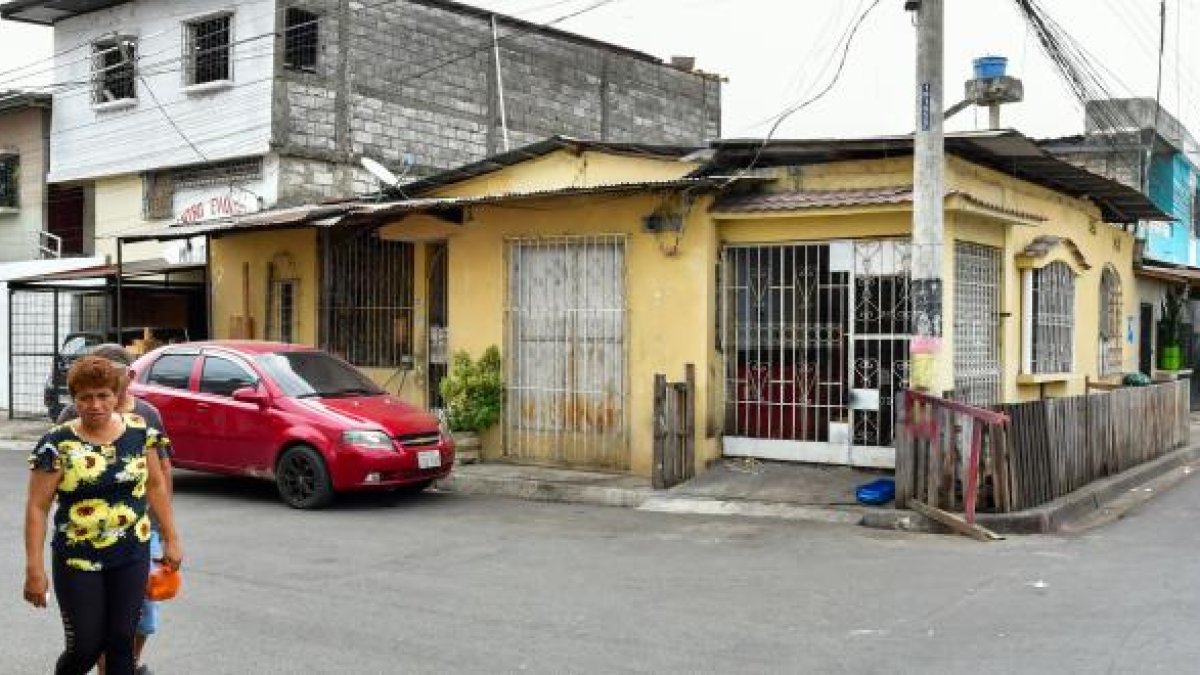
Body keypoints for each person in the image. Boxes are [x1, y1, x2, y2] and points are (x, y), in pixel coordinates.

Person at [25, 356, 183, 675]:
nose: (95, 405)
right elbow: (37, 507)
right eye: (85, 397)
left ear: (116, 394)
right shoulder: (57, 444)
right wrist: (34, 569)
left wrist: (171, 538)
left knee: (121, 644)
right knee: (84, 647)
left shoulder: (141, 433)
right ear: (74, 399)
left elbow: (155, 485)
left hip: (131, 553)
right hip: (77, 559)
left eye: (103, 395)